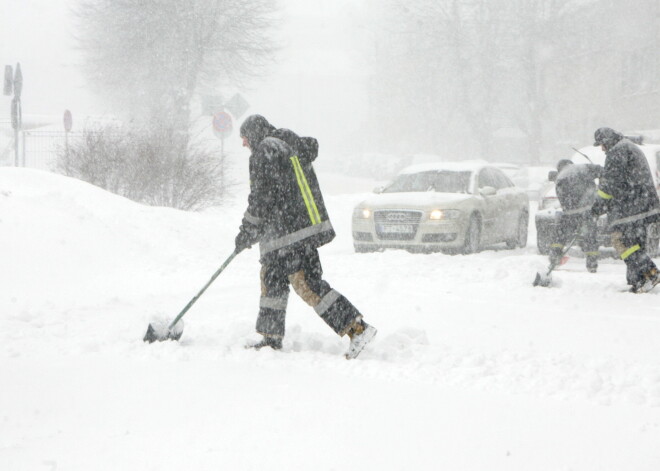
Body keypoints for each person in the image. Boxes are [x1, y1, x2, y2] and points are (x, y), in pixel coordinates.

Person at [234, 114, 377, 359]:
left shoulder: (266, 150)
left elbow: (261, 197)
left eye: (245, 139)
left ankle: (358, 329)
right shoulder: (286, 144)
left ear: (253, 134)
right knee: (272, 280)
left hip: (290, 232)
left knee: (307, 283)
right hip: (287, 232)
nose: (244, 145)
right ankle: (270, 338)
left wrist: (247, 230)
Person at [591, 127, 660, 292]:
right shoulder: (628, 147)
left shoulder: (617, 151)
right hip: (643, 205)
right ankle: (638, 281)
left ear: (608, 141)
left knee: (621, 241)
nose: (602, 148)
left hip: (630, 208)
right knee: (636, 243)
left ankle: (651, 272)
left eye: (602, 144)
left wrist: (598, 205)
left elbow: (610, 184)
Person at [549, 159, 602, 272]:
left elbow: (561, 197)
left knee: (560, 234)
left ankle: (554, 259)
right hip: (586, 210)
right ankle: (592, 264)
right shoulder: (583, 167)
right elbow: (602, 171)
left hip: (569, 212)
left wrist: (570, 211)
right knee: (590, 236)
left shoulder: (560, 177)